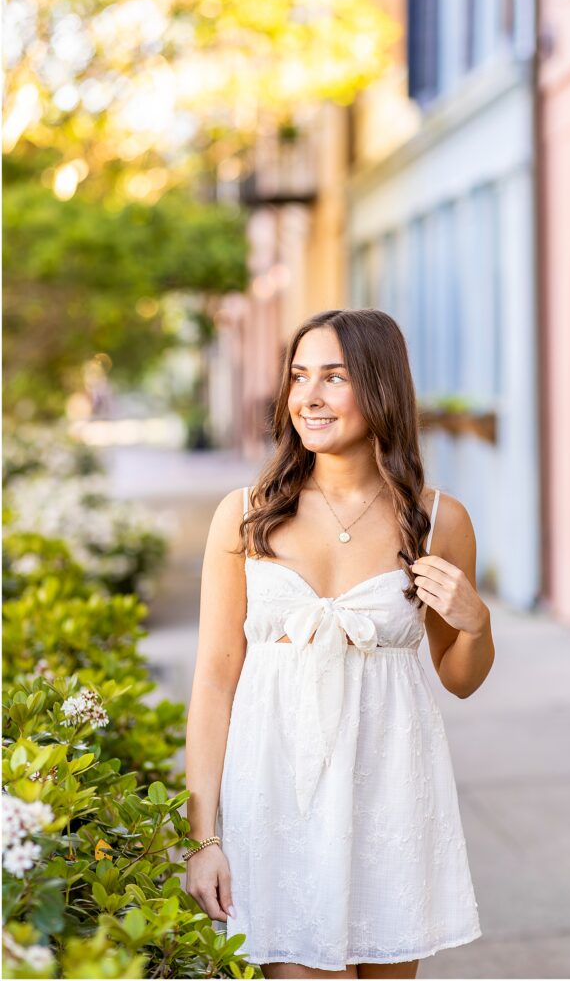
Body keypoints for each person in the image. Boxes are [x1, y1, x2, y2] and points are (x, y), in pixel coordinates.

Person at [184, 308, 495, 979]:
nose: (309, 398)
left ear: (381, 388)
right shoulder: (245, 514)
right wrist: (204, 836)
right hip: (274, 796)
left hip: (389, 795)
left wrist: (476, 623)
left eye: (333, 377)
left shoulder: (440, 521)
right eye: (299, 377)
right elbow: (214, 680)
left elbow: (460, 676)